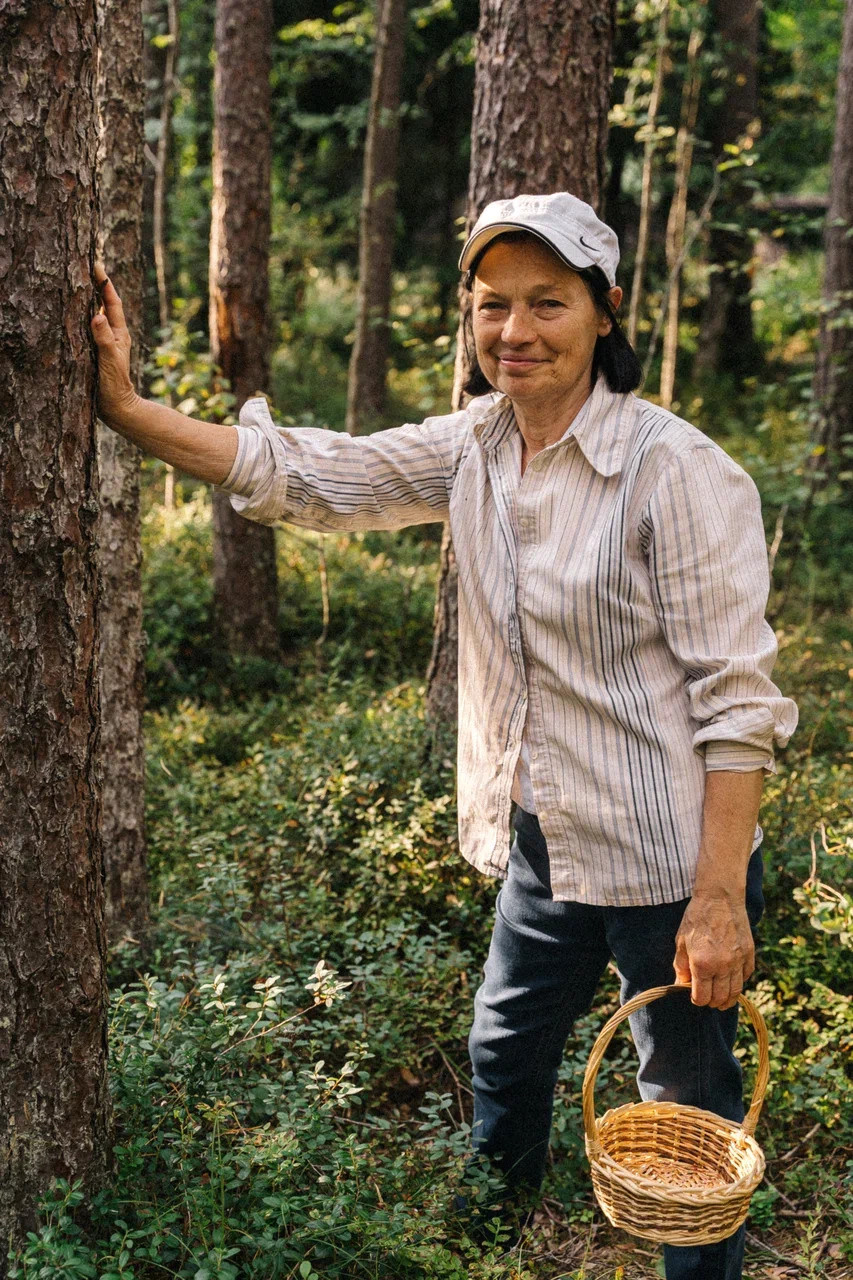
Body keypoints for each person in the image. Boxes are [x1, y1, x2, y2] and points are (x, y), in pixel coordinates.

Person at [92, 191, 798, 1280]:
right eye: (491, 305)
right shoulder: (475, 446)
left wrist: (714, 899)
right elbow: (316, 474)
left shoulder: (676, 471)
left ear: (607, 312)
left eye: (547, 303)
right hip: (544, 838)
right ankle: (489, 1240)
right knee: (505, 1049)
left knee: (687, 1109)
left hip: (669, 857)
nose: (515, 330)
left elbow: (736, 703)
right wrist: (133, 414)